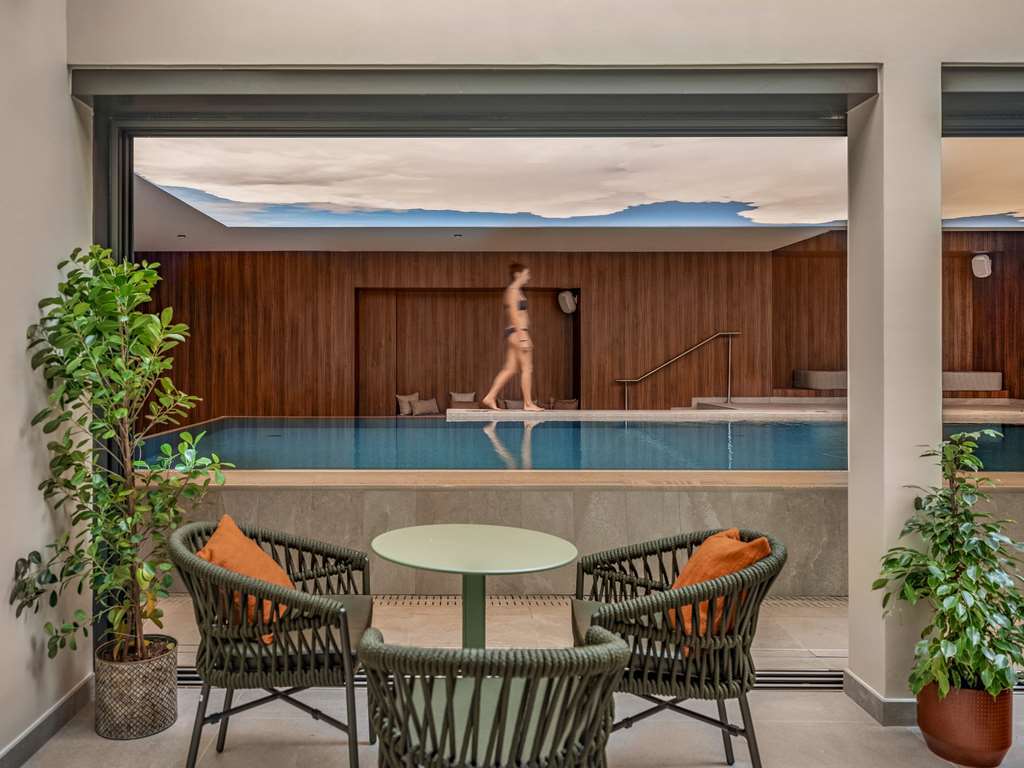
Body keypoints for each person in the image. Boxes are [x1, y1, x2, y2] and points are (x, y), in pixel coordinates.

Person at [482, 263, 543, 411]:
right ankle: (528, 403)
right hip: (518, 332)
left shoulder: (517, 291)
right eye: (526, 274)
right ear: (517, 274)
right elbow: (515, 315)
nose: (528, 277)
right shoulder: (513, 291)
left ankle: (490, 397)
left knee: (510, 369)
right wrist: (523, 337)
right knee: (527, 368)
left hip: (515, 332)